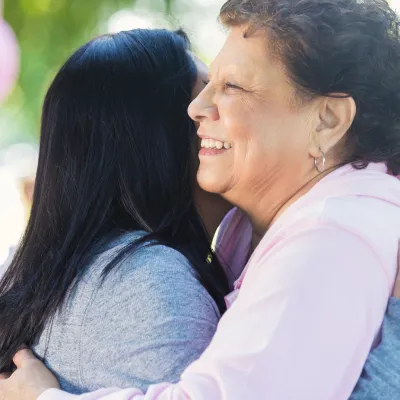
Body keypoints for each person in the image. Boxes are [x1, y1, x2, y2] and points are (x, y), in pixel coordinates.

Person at [2, 0, 400, 398]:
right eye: (210, 83)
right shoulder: (281, 225)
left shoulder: (327, 234)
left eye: (233, 86)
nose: (195, 107)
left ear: (327, 119)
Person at [0, 28, 233, 393]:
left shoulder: (31, 274)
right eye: (205, 94)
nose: (224, 110)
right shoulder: (154, 286)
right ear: (157, 141)